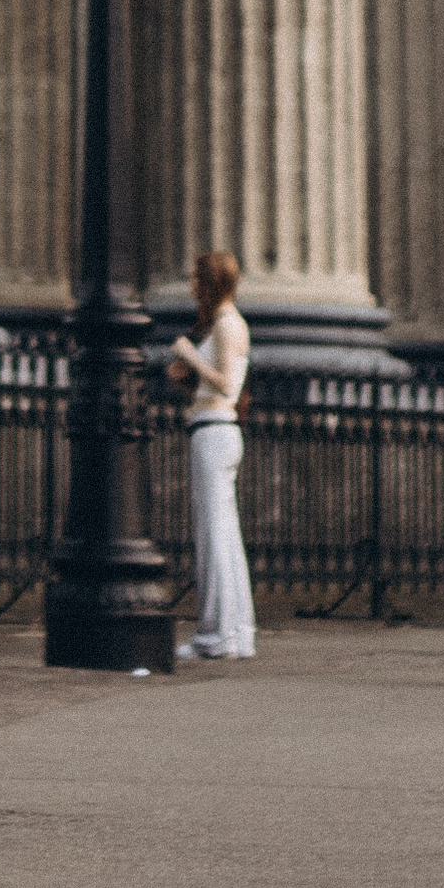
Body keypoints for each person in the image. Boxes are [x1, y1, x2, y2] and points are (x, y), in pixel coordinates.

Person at [167, 247, 254, 661]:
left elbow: (223, 385)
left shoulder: (225, 325)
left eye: (196, 277)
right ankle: (235, 630)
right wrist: (187, 373)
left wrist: (188, 356)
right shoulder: (228, 324)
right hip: (218, 431)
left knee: (213, 534)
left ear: (211, 282)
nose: (191, 285)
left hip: (214, 431)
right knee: (224, 532)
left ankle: (216, 634)